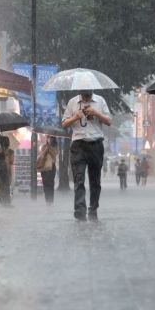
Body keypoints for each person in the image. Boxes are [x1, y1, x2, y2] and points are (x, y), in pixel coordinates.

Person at [61, 91, 112, 221]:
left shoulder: (100, 100)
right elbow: (64, 123)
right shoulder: (72, 102)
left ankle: (93, 209)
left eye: (88, 95)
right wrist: (75, 117)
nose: (86, 97)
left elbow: (109, 121)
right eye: (84, 95)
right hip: (78, 145)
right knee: (79, 179)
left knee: (95, 181)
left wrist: (96, 113)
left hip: (95, 145)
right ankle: (80, 211)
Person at [38, 136, 58, 205]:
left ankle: (50, 201)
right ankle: (47, 200)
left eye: (51, 138)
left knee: (51, 184)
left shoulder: (55, 147)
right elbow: (42, 155)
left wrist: (49, 148)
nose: (49, 139)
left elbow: (54, 155)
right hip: (44, 167)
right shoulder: (44, 146)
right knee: (45, 183)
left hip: (52, 167)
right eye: (48, 137)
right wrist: (46, 148)